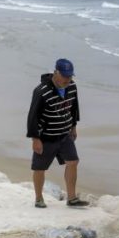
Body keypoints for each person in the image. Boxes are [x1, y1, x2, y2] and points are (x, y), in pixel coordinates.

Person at [26, 58, 89, 208]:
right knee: (40, 168)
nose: (67, 79)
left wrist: (73, 127)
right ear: (56, 72)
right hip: (46, 137)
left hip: (65, 134)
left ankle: (72, 199)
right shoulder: (41, 91)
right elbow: (32, 116)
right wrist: (35, 139)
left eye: (70, 76)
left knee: (73, 162)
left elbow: (74, 108)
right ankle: (39, 199)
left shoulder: (72, 87)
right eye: (65, 76)